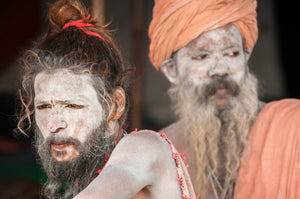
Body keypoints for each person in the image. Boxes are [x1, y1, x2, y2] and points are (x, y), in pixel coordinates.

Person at [16, 0, 196, 198]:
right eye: (43, 107)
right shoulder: (88, 176)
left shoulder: (143, 148)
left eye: (72, 105)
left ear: (114, 106)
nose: (53, 124)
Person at [148, 0, 300, 198]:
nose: (220, 69)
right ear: (172, 71)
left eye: (232, 53)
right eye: (202, 56)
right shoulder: (161, 150)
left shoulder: (293, 127)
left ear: (245, 57)